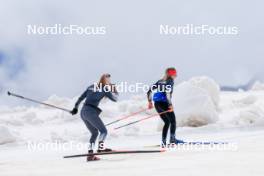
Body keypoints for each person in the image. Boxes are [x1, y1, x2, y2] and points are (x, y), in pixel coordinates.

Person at [71, 73, 118, 161]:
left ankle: (90, 154)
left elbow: (80, 98)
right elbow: (115, 99)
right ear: (105, 80)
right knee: (103, 131)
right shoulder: (105, 89)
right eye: (108, 80)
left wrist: (75, 108)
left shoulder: (91, 87)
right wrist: (114, 90)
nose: (109, 82)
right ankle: (101, 148)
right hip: (91, 112)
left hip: (83, 112)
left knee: (94, 133)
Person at [147, 67, 180, 146]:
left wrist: (150, 102)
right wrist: (170, 105)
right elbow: (167, 93)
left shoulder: (160, 81)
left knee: (167, 122)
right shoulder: (170, 81)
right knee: (173, 121)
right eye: (175, 73)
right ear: (172, 74)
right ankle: (172, 140)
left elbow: (149, 91)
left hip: (157, 104)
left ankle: (163, 142)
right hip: (164, 103)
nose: (176, 75)